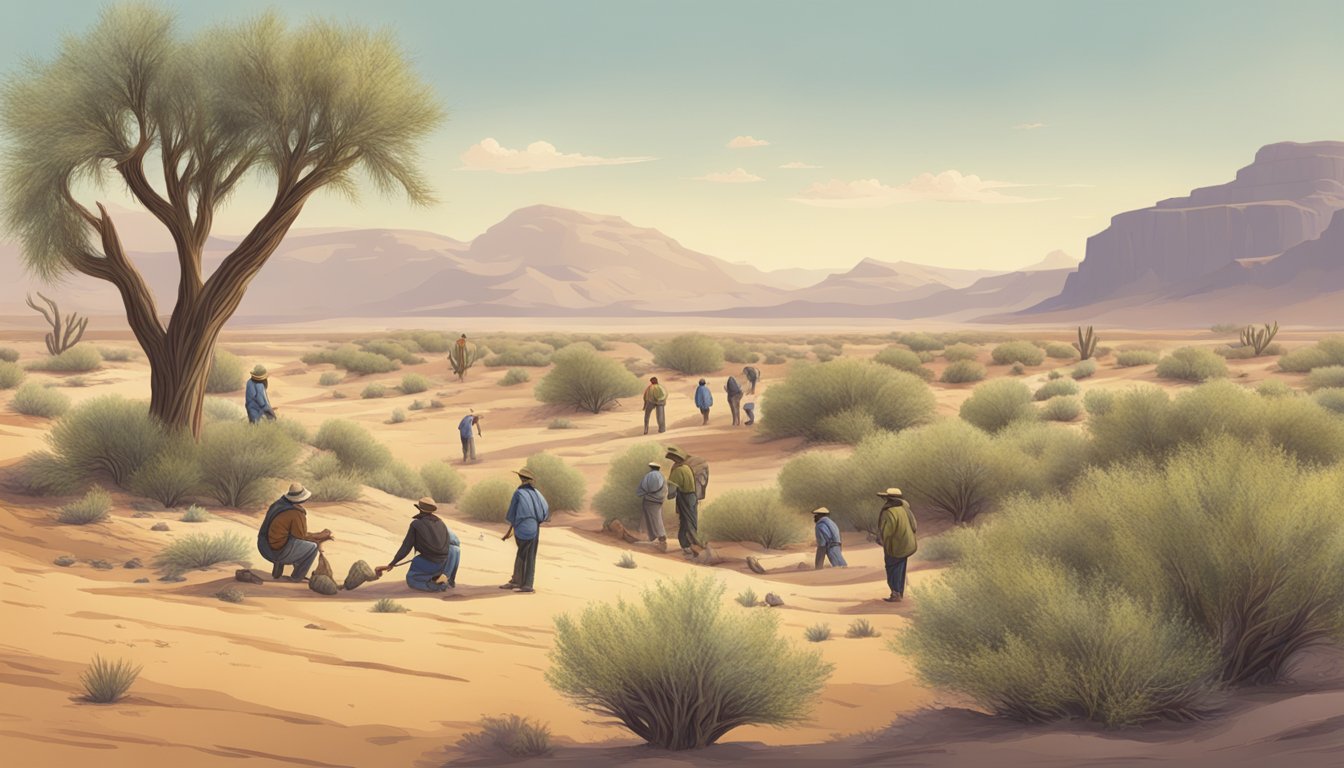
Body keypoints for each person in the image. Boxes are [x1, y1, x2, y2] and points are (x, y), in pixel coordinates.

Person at [376, 497, 461, 592]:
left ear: (419, 509)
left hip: (431, 562)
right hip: (445, 562)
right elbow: (453, 545)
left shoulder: (416, 524)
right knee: (453, 549)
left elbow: (406, 547)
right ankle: (447, 579)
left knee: (411, 579)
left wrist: (392, 563)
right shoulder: (441, 523)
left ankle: (437, 587)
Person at [257, 483, 331, 582]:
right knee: (312, 547)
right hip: (278, 552)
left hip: (264, 547)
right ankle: (296, 577)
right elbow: (301, 536)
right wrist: (319, 535)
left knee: (286, 537)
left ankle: (279, 564)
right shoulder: (296, 513)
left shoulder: (277, 504)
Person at [501, 468, 550, 593]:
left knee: (521, 554)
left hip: (523, 526)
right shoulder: (537, 493)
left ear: (521, 478)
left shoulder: (518, 493)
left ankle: (518, 581)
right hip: (535, 526)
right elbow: (545, 510)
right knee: (531, 555)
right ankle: (527, 583)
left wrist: (511, 528)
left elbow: (512, 513)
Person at [877, 487, 917, 602]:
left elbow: (887, 531)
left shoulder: (889, 511)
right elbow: (914, 526)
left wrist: (881, 539)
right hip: (907, 545)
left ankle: (895, 593)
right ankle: (899, 592)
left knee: (891, 568)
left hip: (895, 546)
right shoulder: (906, 509)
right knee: (900, 568)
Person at [666, 446, 700, 558]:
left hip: (684, 497)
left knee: (685, 521)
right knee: (692, 520)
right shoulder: (687, 468)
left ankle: (686, 545)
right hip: (693, 497)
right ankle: (693, 543)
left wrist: (669, 495)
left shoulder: (678, 471)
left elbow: (672, 490)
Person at [635, 461, 668, 549]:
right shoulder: (661, 476)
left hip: (650, 500)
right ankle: (656, 538)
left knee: (654, 518)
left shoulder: (650, 475)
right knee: (656, 517)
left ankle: (661, 538)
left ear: (651, 467)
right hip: (659, 500)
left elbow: (645, 487)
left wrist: (643, 493)